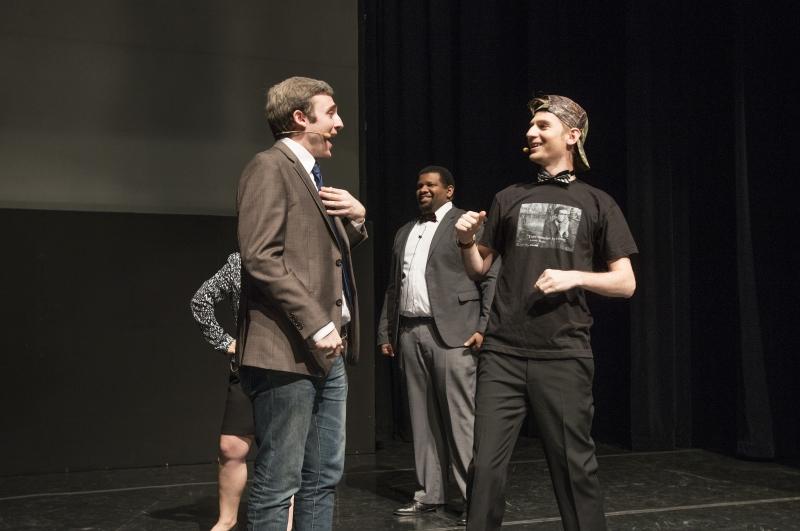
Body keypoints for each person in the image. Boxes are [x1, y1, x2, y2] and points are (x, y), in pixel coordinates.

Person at [455, 94, 638, 531]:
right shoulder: (509, 197)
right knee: (485, 471)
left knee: (575, 468)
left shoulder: (598, 202)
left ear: (571, 136)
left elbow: (625, 283)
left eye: (542, 126)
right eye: (531, 127)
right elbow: (480, 268)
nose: (531, 133)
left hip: (563, 353)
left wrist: (576, 278)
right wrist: (464, 241)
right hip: (503, 352)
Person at [236, 76, 367, 530]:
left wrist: (358, 219)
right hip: (286, 352)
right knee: (280, 480)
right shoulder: (269, 167)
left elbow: (319, 254)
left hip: (325, 354)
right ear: (299, 118)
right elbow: (260, 257)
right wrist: (316, 322)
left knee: (323, 475)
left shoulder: (311, 177)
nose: (339, 123)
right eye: (330, 113)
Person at [377, 166, 498, 521]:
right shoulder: (405, 231)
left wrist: (484, 325)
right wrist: (387, 330)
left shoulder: (468, 222)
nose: (423, 190)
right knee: (421, 417)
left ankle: (468, 499)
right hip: (411, 332)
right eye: (419, 185)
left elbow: (490, 277)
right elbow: (394, 285)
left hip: (456, 331)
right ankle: (429, 493)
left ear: (449, 189)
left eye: (431, 185)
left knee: (460, 418)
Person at [189, 252, 292, 531]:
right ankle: (227, 520)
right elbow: (201, 301)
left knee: (285, 450)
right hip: (247, 367)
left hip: (289, 367)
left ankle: (285, 522)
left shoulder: (297, 258)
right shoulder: (239, 261)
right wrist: (225, 342)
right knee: (231, 445)